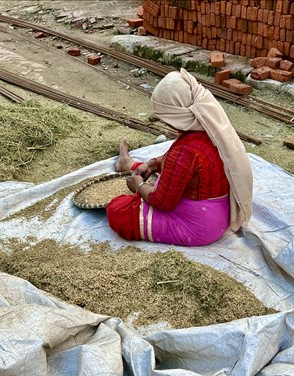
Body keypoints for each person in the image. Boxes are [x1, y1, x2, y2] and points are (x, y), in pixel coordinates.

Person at [106, 68, 253, 246]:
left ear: (175, 115)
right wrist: (152, 165)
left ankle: (128, 166)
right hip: (220, 214)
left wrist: (138, 186)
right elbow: (180, 166)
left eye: (164, 116)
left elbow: (162, 202)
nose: (164, 121)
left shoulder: (184, 152)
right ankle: (128, 164)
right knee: (160, 178)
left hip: (197, 227)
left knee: (117, 209)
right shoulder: (212, 126)